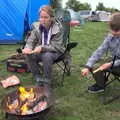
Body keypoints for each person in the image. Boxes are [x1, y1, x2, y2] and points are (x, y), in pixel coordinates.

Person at [22, 5, 65, 87]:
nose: (43, 20)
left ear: (51, 18)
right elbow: (31, 40)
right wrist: (28, 48)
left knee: (47, 56)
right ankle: (38, 78)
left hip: (55, 51)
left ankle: (47, 81)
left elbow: (56, 46)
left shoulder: (58, 28)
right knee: (28, 55)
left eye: (46, 17)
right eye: (41, 17)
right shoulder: (36, 27)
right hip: (41, 51)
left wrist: (42, 48)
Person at [81, 12, 120, 93]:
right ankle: (100, 85)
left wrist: (110, 64)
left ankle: (102, 81)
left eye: (117, 30)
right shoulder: (110, 37)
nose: (114, 32)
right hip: (114, 60)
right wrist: (88, 66)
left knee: (107, 65)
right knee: (95, 65)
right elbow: (99, 51)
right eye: (112, 29)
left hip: (117, 63)